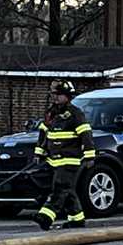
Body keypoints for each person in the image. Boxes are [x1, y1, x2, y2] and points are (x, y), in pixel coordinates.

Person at [33, 80, 94, 230]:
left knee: (60, 187)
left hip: (70, 159)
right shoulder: (50, 113)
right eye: (54, 94)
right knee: (68, 190)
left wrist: (89, 156)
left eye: (59, 94)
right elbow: (43, 133)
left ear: (68, 96)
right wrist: (39, 152)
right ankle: (77, 219)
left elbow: (86, 135)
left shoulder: (75, 114)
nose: (55, 97)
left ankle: (46, 216)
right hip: (54, 159)